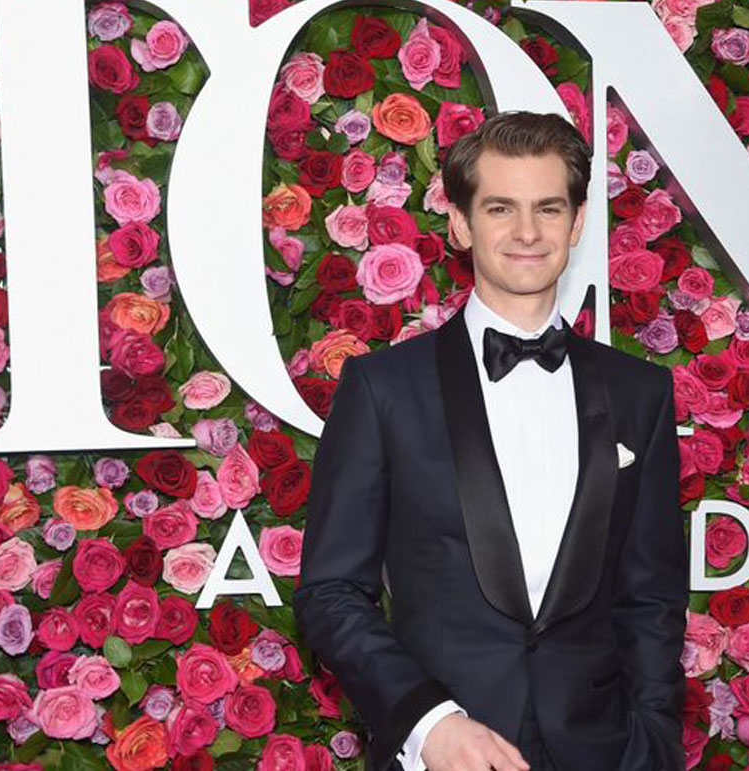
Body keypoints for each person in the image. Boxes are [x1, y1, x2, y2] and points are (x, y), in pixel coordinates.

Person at [293, 110, 687, 771]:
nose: (528, 232)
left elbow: (650, 598)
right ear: (460, 221)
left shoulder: (639, 393)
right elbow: (330, 591)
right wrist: (432, 723)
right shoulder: (382, 388)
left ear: (578, 221)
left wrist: (652, 748)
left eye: (549, 208)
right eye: (501, 208)